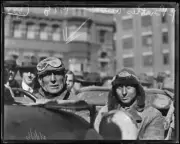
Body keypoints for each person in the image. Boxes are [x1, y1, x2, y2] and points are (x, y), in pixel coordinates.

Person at [94, 67, 165, 140]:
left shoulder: (152, 115)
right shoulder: (105, 111)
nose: (124, 92)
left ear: (137, 89)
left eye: (128, 87)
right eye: (119, 87)